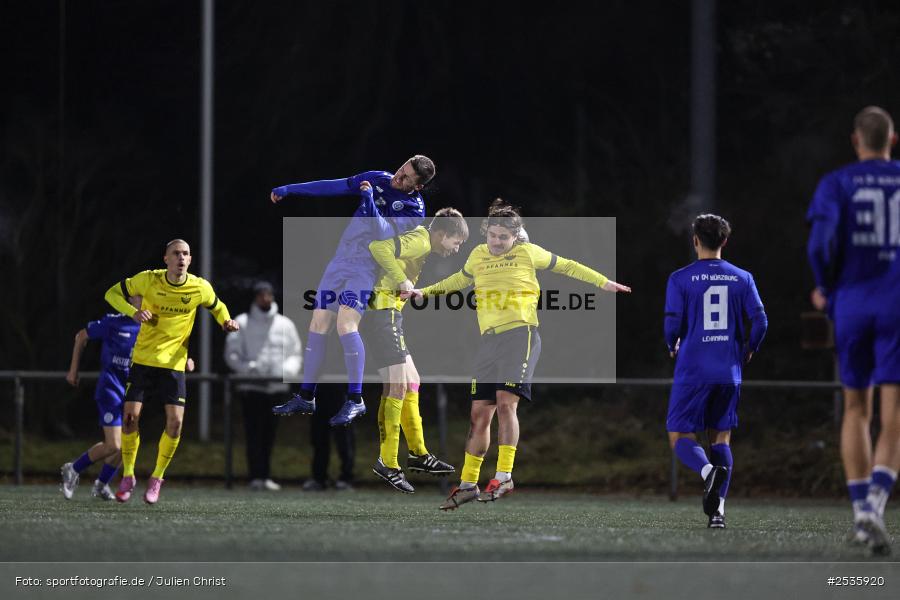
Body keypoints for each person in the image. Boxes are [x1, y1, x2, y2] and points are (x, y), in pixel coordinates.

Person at [405, 199, 631, 510]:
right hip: (489, 342)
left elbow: (567, 265)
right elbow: (458, 280)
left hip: (520, 335)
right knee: (478, 415)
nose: (497, 242)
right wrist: (423, 292)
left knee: (504, 404)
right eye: (492, 235)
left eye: (503, 237)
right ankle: (469, 484)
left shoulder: (527, 253)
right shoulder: (477, 255)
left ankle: (504, 476)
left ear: (515, 236)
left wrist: (603, 282)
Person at [270, 156, 436, 426]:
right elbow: (335, 185)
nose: (398, 178)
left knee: (346, 325)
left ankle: (355, 399)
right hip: (341, 260)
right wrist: (291, 188)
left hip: (366, 267)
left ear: (417, 187)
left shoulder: (413, 208)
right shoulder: (380, 177)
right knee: (319, 322)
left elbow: (382, 232)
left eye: (406, 178)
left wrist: (369, 199)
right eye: (400, 170)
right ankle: (306, 395)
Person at [807, 106, 900, 555]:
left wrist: (825, 286)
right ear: (892, 139)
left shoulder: (838, 182)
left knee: (856, 406)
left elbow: (820, 243)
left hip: (854, 301)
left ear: (856, 140)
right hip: (897, 301)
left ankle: (862, 510)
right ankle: (877, 507)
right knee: (894, 407)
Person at [103, 239, 239, 504]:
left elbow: (217, 306)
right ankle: (128, 474)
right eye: (176, 253)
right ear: (165, 258)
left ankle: (157, 478)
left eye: (186, 254)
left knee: (175, 424)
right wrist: (133, 312)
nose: (181, 257)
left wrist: (226, 321)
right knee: (130, 418)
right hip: (143, 359)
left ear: (190, 260)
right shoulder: (148, 280)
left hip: (174, 364)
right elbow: (111, 294)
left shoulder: (199, 286)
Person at [664, 214, 767, 529]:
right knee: (721, 437)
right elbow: (761, 321)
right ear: (724, 241)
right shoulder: (742, 277)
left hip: (693, 367)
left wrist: (671, 343)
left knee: (680, 434)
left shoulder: (680, 278)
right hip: (728, 369)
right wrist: (750, 348)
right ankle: (717, 512)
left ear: (695, 240)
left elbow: (672, 322)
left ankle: (708, 473)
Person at [365, 208, 468, 492]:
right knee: (396, 388)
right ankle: (388, 462)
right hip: (382, 315)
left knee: (411, 382)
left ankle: (418, 454)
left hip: (389, 316)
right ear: (442, 234)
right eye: (456, 242)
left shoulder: (423, 242)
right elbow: (379, 248)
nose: (456, 248)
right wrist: (400, 278)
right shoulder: (421, 240)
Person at [60, 295, 142, 500]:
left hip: (132, 393)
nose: (146, 299)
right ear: (131, 300)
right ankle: (73, 468)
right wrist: (73, 370)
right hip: (110, 390)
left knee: (127, 446)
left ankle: (101, 485)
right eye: (141, 296)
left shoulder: (152, 327)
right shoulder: (114, 322)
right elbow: (81, 336)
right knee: (114, 444)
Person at [224, 281, 302, 491]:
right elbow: (232, 354)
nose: (265, 299)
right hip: (251, 388)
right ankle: (255, 477)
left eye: (268, 294)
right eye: (261, 295)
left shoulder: (285, 324)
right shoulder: (242, 321)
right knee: (252, 433)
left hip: (276, 389)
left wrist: (284, 372)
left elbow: (296, 353)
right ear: (255, 297)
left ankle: (265, 475)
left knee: (269, 434)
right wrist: (249, 369)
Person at [303, 385, 356, 491]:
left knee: (344, 439)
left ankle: (346, 478)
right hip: (319, 393)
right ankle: (319, 478)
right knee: (319, 438)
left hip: (341, 392)